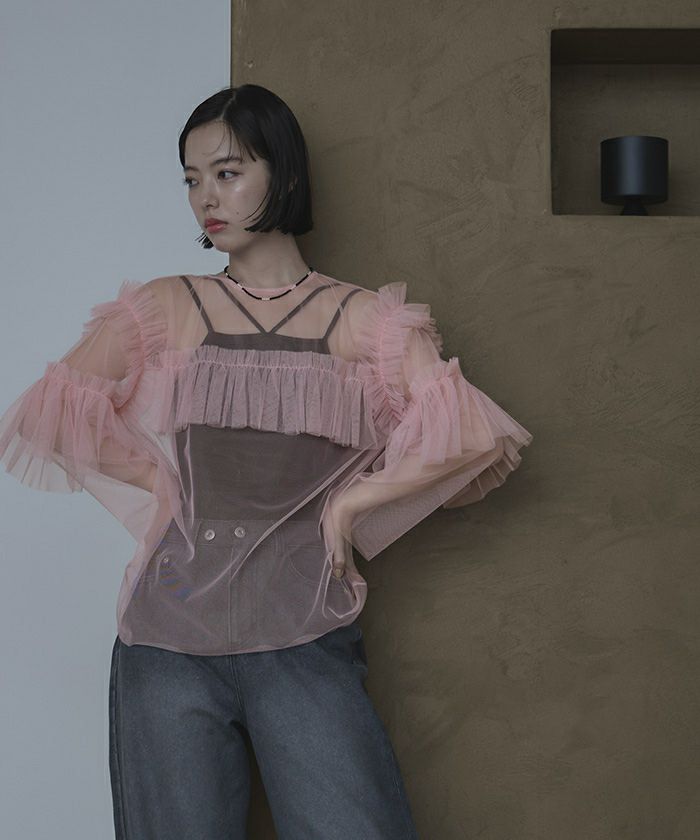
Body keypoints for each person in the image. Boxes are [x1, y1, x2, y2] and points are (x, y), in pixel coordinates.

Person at [0, 84, 533, 838]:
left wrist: (351, 505)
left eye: (227, 172)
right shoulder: (167, 306)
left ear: (281, 173)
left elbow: (473, 435)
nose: (205, 198)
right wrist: (158, 482)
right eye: (192, 179)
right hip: (167, 631)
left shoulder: (365, 322)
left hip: (303, 632)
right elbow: (51, 408)